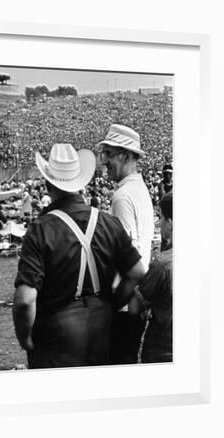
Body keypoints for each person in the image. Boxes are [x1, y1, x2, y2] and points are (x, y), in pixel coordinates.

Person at [13, 143, 146, 369]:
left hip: (56, 336)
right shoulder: (108, 222)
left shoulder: (40, 229)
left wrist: (24, 336)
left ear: (48, 184)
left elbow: (25, 300)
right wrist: (114, 303)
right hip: (101, 329)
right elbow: (138, 271)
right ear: (80, 182)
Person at [98, 124, 155, 364]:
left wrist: (113, 303)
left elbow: (127, 257)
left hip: (125, 301)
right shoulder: (139, 189)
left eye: (109, 154)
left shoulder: (122, 196)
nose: (105, 161)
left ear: (125, 155)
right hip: (137, 297)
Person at [131, 193, 173, 363]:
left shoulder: (162, 264)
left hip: (162, 348)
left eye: (161, 218)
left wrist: (135, 284)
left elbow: (134, 307)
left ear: (170, 223)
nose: (159, 222)